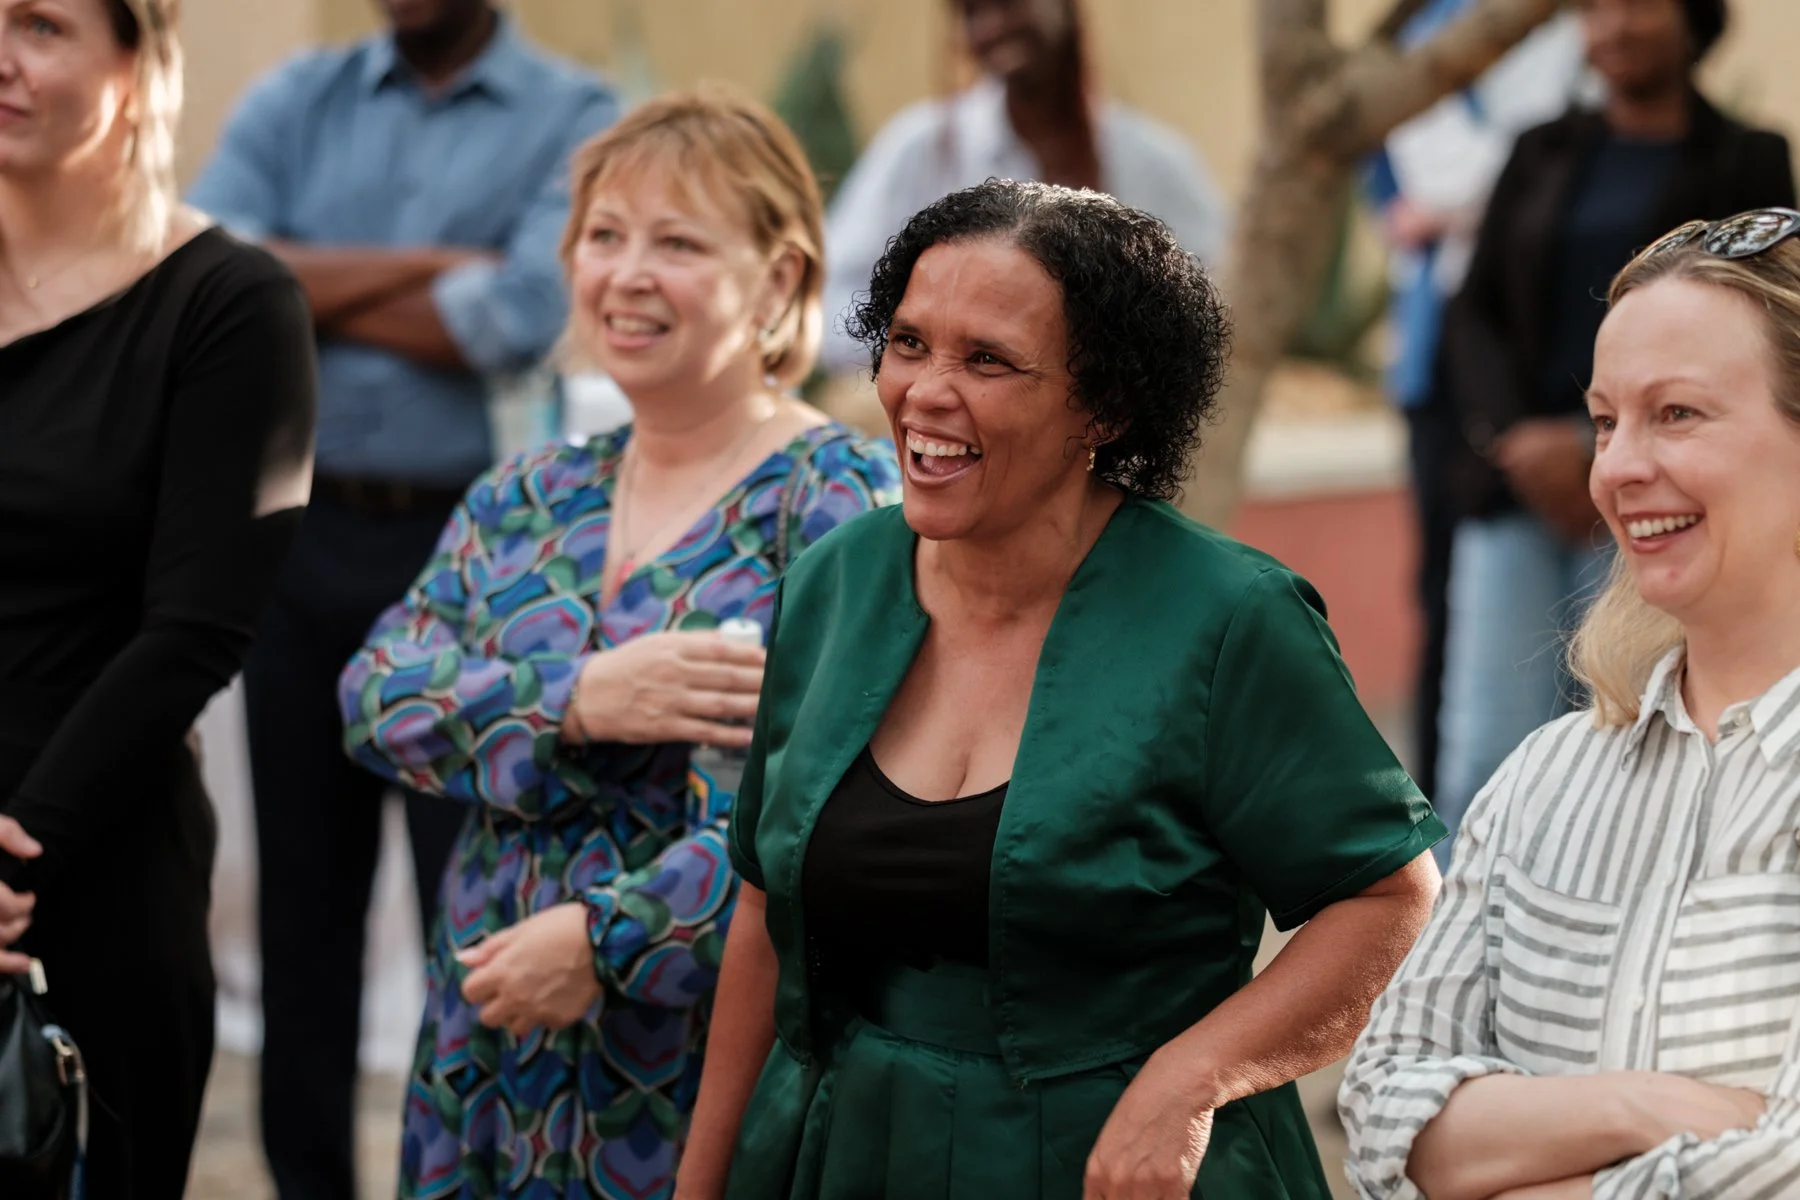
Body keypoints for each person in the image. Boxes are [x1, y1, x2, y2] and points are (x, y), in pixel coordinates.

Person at [676, 179, 1445, 1200]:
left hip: (1117, 1166)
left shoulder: (1229, 618)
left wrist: (1195, 1077)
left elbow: (1388, 898)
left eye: (987, 360)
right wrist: (701, 1183)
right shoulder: (833, 583)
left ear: (1107, 406)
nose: (925, 392)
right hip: (847, 1149)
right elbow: (762, 913)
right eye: (908, 343)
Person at [337, 88, 901, 1200]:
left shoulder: (838, 500)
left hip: (690, 1054)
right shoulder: (528, 493)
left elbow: (839, 806)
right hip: (487, 1038)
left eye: (677, 243)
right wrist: (578, 696)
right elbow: (373, 696)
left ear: (778, 279)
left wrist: (609, 942)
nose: (627, 274)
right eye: (603, 237)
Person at [185, 3, 617, 1194]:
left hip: (481, 564)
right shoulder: (296, 98)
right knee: (301, 917)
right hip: (297, 539)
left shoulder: (574, 115)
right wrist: (437, 273)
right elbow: (216, 266)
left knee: (471, 907)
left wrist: (305, 279)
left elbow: (522, 313)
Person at [1342, 208, 1800, 1199]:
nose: (1619, 468)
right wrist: (1641, 1109)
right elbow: (1378, 1112)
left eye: (1677, 413)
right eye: (1603, 421)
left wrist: (1504, 1168)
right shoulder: (1545, 778)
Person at [0, 0, 316, 1195]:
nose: (0, 56)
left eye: (40, 24)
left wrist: (15, 853)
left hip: (89, 878)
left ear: (138, 65)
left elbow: (196, 630)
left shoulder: (230, 304)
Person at [1430, 0, 1794, 853]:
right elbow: (1475, 312)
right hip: (1523, 482)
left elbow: (1769, 327)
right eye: (1594, 10)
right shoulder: (1541, 149)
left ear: (1693, 19)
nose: (1615, 28)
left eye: (1638, 6)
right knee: (1481, 752)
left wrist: (1604, 437)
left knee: (1637, 733)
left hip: (1676, 485)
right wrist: (1526, 440)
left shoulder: (1746, 157)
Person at [1361, 1, 1587, 817]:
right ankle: (1441, 832)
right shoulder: (1414, 34)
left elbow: (1520, 172)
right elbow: (1430, 186)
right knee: (1447, 599)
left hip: (1554, 364)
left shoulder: (1570, 25)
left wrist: (1461, 203)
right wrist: (1484, 190)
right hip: (1450, 374)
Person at [818, 0, 1227, 373]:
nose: (992, 27)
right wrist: (930, 354)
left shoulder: (1149, 162)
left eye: (1011, 5)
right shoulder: (921, 149)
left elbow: (1215, 300)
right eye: (972, 13)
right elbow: (832, 299)